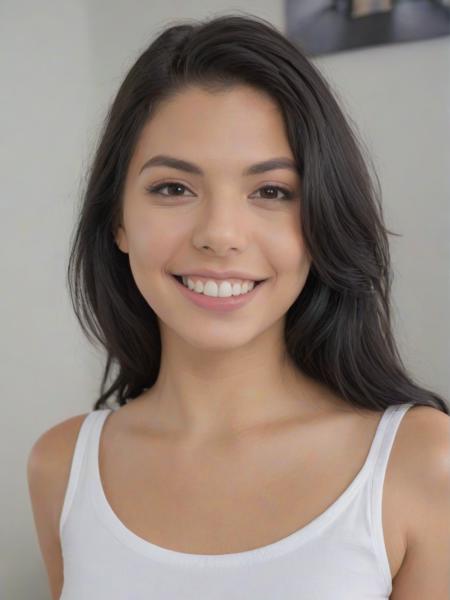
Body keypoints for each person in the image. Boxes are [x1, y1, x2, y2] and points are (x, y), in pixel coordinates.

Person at [27, 13, 449, 600]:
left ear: (321, 220)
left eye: (271, 192)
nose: (220, 234)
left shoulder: (423, 461)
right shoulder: (61, 467)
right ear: (118, 220)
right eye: (173, 188)